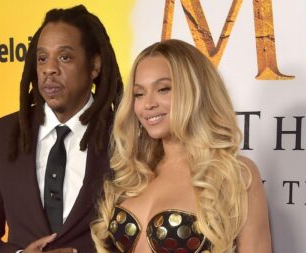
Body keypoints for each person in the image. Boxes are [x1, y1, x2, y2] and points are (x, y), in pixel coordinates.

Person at [0, 5, 123, 253]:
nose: (49, 68)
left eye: (64, 57)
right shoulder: (3, 134)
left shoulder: (126, 135)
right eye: (42, 58)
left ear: (95, 66)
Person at [91, 39, 272, 253]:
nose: (148, 104)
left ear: (195, 91)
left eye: (163, 89)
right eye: (139, 94)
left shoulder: (235, 174)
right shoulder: (135, 172)